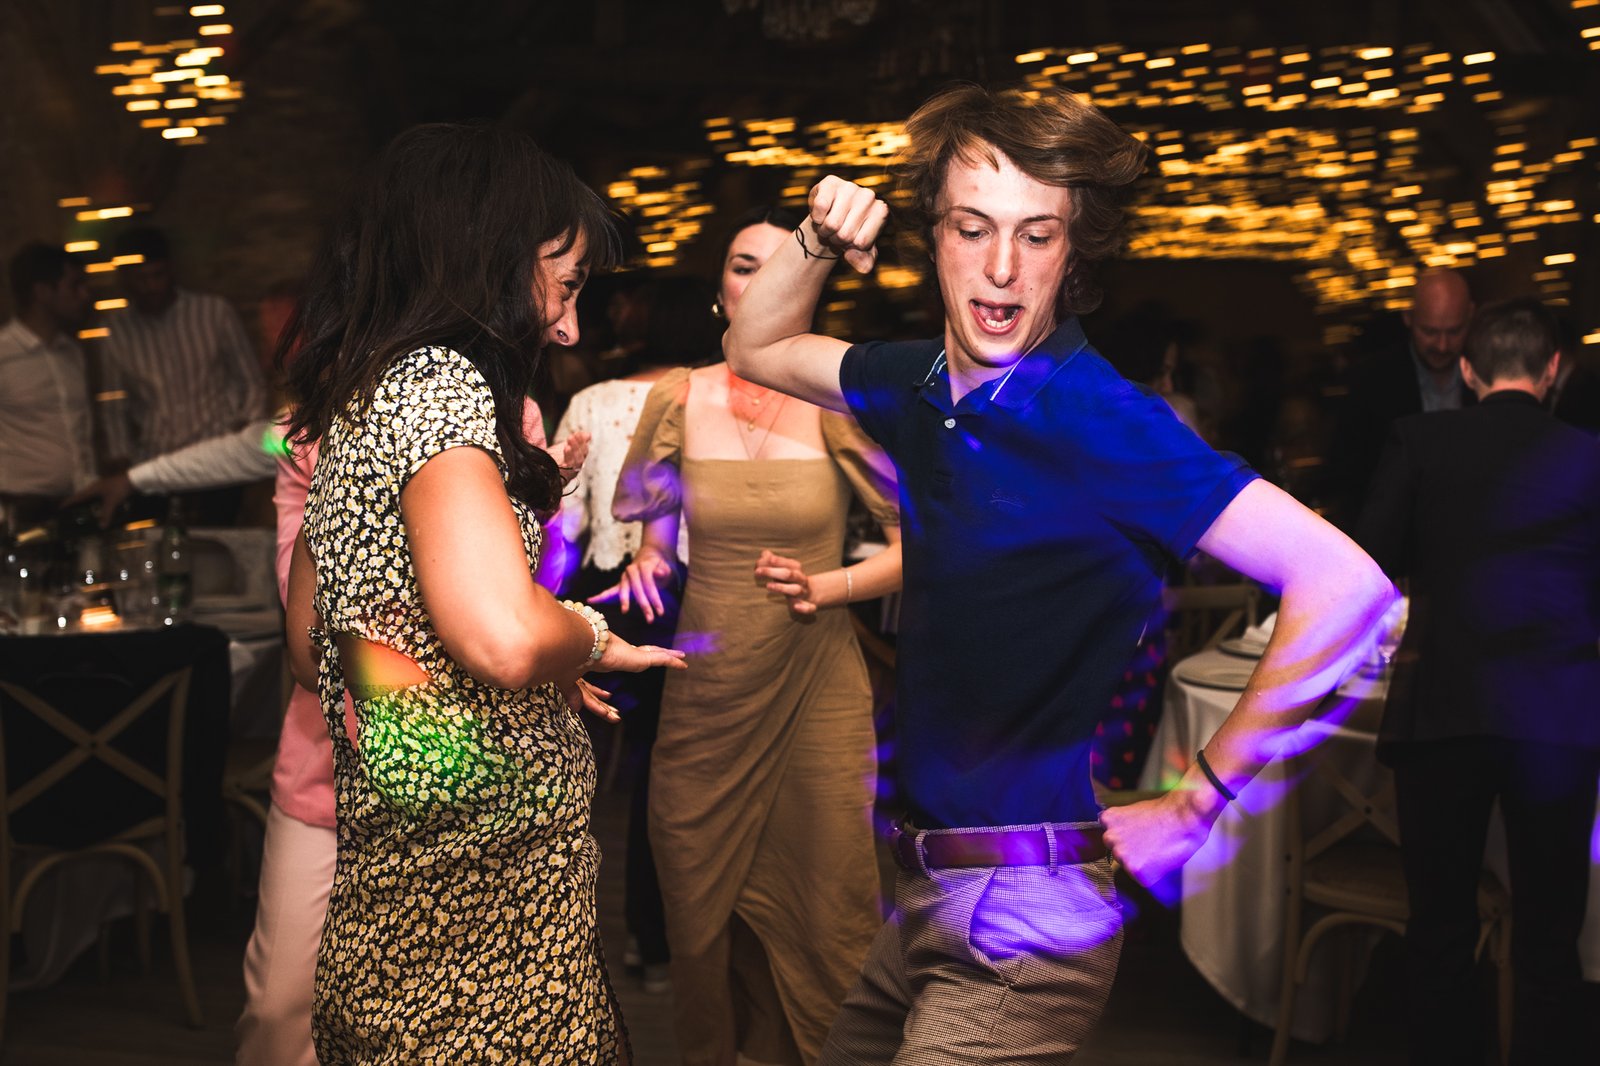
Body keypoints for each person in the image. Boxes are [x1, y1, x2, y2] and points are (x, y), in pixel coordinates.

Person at [723, 84, 1393, 1063]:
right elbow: (755, 345)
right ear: (933, 236)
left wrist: (1195, 801)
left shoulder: (1100, 419)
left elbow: (1348, 586)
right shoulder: (921, 382)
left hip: (1024, 918)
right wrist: (816, 239)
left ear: (1072, 253)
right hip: (921, 895)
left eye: (1036, 236)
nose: (1001, 267)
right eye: (972, 228)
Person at [281, 123, 685, 1065]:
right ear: (491, 259)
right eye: (567, 284)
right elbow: (503, 638)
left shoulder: (363, 389)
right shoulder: (441, 389)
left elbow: (311, 645)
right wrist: (584, 636)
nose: (571, 327)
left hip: (404, 918)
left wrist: (451, 695)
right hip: (483, 938)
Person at [605, 204, 903, 1065]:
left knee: (830, 899)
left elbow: (916, 544)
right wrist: (650, 554)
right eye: (745, 265)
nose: (764, 281)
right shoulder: (677, 395)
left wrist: (829, 585)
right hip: (708, 689)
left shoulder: (841, 400)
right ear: (721, 291)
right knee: (696, 892)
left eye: (783, 265)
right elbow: (652, 516)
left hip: (815, 687)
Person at [1356, 297, 1600, 1065]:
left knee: (1440, 928)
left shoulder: (1421, 440)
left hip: (1444, 709)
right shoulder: (1590, 455)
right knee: (1550, 936)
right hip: (1559, 718)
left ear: (1467, 369)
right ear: (1552, 370)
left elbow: (1367, 567)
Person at [549, 275, 716, 995]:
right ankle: (657, 943)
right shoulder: (716, 397)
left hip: (607, 599)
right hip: (694, 602)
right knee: (664, 777)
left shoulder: (592, 401)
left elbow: (566, 526)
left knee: (576, 769)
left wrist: (544, 609)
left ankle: (565, 940)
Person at [100, 226, 266, 524]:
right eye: (140, 278)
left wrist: (245, 430)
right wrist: (120, 457)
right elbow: (114, 406)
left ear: (171, 270)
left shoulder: (213, 312)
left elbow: (250, 380)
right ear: (125, 278)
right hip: (155, 464)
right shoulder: (116, 330)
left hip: (218, 463)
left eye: (157, 276)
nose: (150, 286)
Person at [1329, 267, 1475, 527]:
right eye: (1429, 332)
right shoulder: (1372, 381)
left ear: (1471, 316)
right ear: (1408, 317)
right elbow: (1349, 477)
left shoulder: (1488, 373)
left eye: (1454, 332)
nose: (1442, 345)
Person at [0, 243, 95, 525]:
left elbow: (81, 428)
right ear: (42, 292)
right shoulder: (4, 353)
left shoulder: (72, 351)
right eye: (74, 286)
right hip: (21, 507)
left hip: (78, 500)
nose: (85, 295)